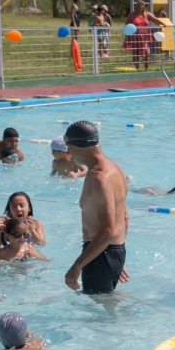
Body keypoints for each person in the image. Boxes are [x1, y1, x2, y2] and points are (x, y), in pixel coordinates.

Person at [63, 121, 130, 294]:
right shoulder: (115, 168)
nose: (68, 153)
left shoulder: (99, 178)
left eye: (69, 147)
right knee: (106, 305)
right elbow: (124, 217)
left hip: (101, 255)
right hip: (110, 252)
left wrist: (77, 266)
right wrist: (116, 259)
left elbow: (108, 231)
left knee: (97, 317)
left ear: (80, 146)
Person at [123, 0, 164, 71]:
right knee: (136, 54)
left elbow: (155, 19)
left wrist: (164, 24)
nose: (140, 6)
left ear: (144, 6)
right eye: (139, 5)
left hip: (145, 37)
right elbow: (127, 24)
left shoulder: (147, 14)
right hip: (135, 37)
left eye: (142, 5)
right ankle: (137, 69)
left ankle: (146, 69)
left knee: (147, 53)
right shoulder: (132, 15)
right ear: (136, 6)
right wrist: (126, 35)